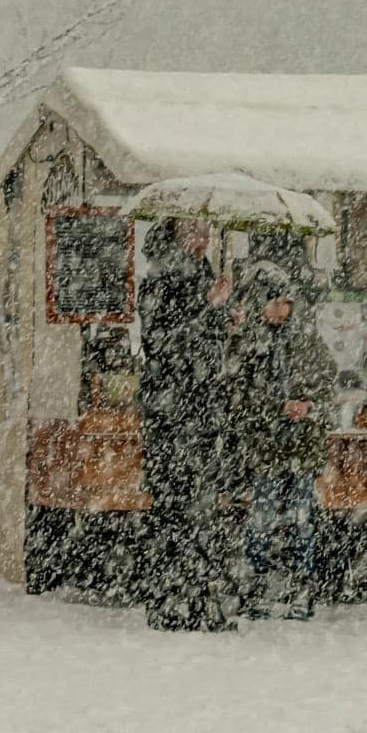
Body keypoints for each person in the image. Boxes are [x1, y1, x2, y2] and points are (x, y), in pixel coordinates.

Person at [136, 217, 239, 632]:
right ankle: (168, 601)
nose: (204, 240)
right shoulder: (160, 276)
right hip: (170, 416)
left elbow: (203, 343)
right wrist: (208, 310)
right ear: (176, 233)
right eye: (195, 232)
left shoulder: (203, 273)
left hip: (202, 414)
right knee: (172, 511)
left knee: (203, 512)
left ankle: (198, 600)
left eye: (207, 232)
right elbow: (161, 343)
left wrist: (226, 321)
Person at [229, 260, 336, 621]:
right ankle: (255, 586)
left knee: (302, 518)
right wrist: (276, 407)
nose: (280, 309)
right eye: (273, 302)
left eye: (285, 302)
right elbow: (238, 397)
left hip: (302, 447)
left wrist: (310, 406)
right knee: (261, 517)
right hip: (265, 448)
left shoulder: (307, 341)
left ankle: (302, 587)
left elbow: (328, 384)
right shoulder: (246, 343)